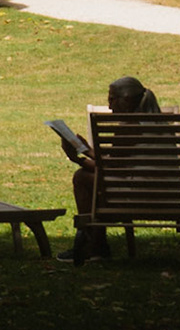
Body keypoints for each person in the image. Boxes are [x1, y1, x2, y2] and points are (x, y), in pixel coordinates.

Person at [59, 75, 163, 261]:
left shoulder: (130, 126)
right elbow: (113, 167)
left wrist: (82, 154)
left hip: (140, 196)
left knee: (82, 178)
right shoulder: (161, 124)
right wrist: (82, 156)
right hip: (168, 196)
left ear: (128, 100)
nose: (110, 106)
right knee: (91, 177)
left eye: (112, 99)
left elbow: (111, 167)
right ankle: (96, 245)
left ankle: (95, 246)